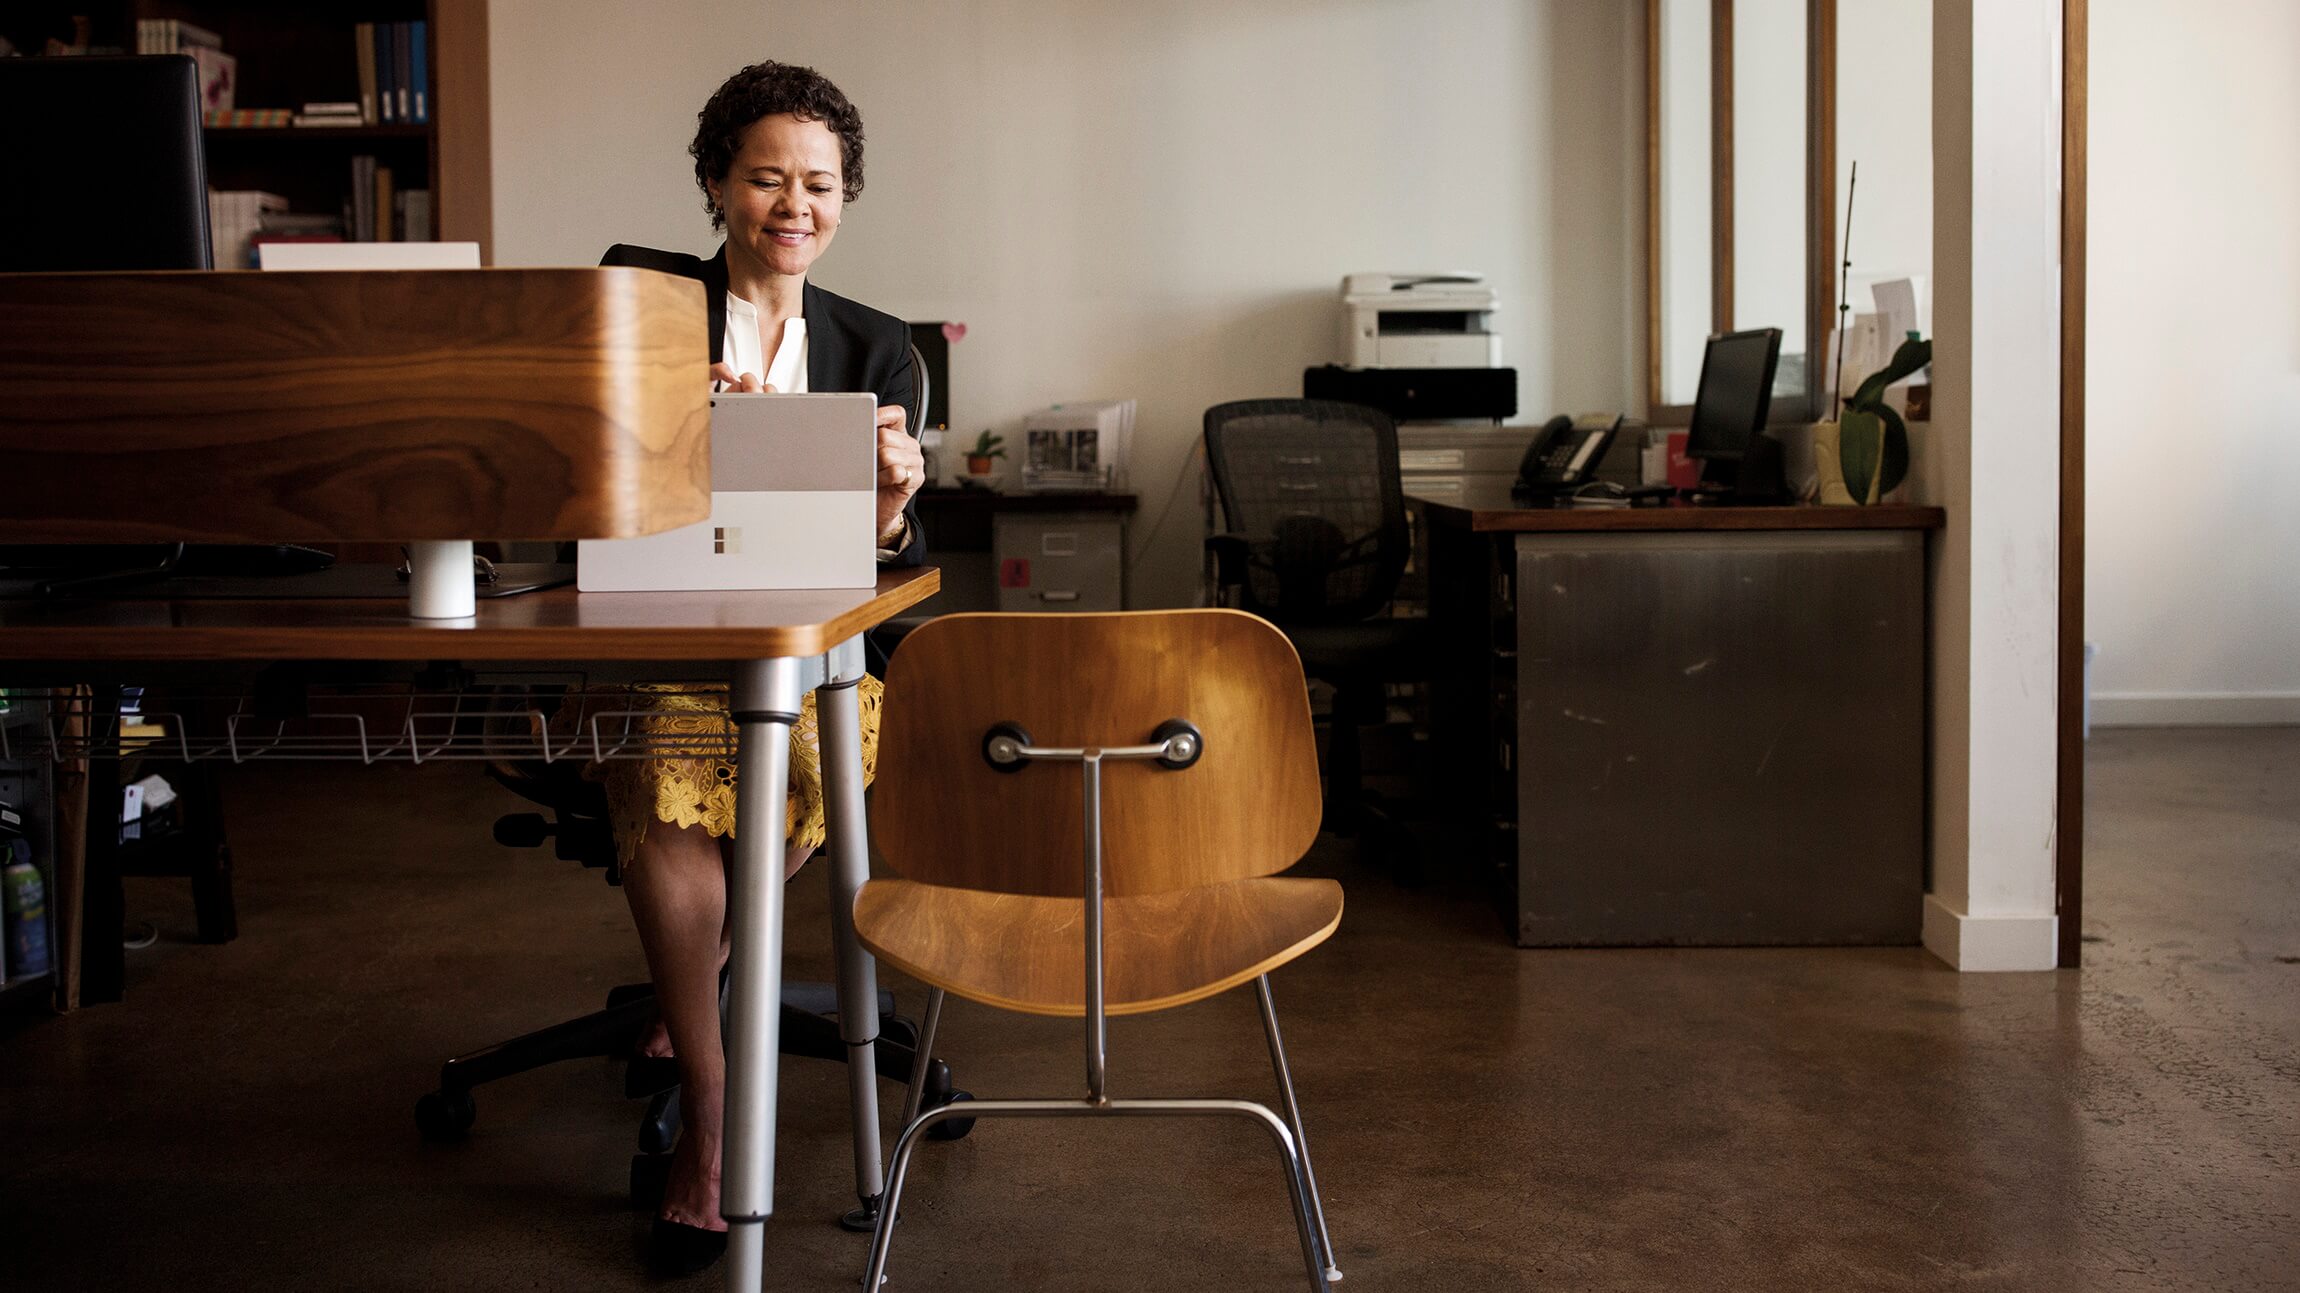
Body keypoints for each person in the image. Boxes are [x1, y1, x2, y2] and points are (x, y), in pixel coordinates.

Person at [595, 59, 925, 1274]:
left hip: (815, 655)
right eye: (765, 177)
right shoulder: (640, 303)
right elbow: (586, 472)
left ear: (844, 198)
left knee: (793, 759)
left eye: (819, 184)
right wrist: (671, 420)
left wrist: (890, 502)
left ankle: (701, 977)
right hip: (666, 638)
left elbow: (890, 556)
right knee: (668, 765)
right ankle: (717, 1120)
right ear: (715, 184)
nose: (794, 205)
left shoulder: (879, 347)